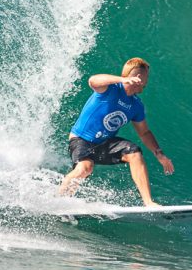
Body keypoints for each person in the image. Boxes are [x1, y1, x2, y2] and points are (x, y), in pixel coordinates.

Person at [57, 57, 174, 205]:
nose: (147, 81)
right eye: (146, 76)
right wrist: (122, 80)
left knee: (134, 152)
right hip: (81, 139)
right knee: (85, 168)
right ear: (138, 76)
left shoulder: (136, 105)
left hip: (104, 143)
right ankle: (59, 202)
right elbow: (93, 80)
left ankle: (148, 202)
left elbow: (144, 133)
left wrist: (159, 154)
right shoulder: (110, 89)